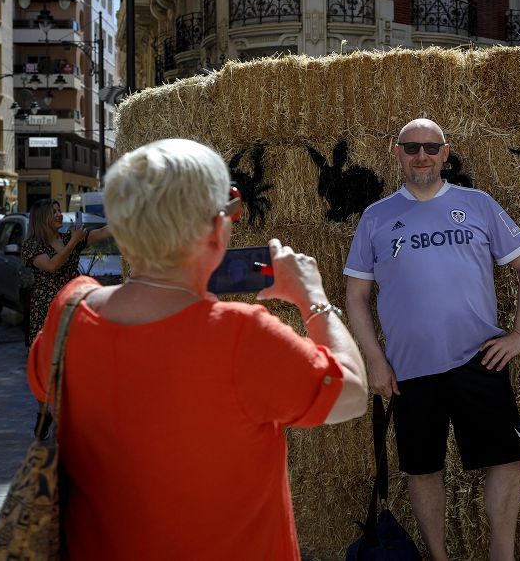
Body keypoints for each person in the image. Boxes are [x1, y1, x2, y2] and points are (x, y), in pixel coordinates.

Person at [27, 139, 368, 559]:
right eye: (232, 209)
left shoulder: (70, 311)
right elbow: (350, 394)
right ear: (215, 227)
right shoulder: (242, 335)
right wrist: (311, 296)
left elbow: (48, 385)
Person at [344, 118, 520, 561]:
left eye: (431, 148)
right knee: (422, 470)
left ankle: (501, 555)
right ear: (396, 152)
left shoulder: (477, 205)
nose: (422, 156)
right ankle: (438, 558)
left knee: (507, 459)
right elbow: (356, 297)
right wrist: (375, 361)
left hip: (479, 361)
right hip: (409, 369)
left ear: (445, 153)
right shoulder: (376, 218)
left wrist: (519, 335)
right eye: (412, 147)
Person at [22, 199, 112, 349]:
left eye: (59, 211)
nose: (59, 215)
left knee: (75, 351)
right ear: (41, 217)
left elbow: (102, 232)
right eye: (54, 212)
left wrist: (126, 222)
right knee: (51, 354)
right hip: (47, 307)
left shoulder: (68, 238)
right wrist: (73, 241)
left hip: (72, 305)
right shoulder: (31, 245)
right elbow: (52, 265)